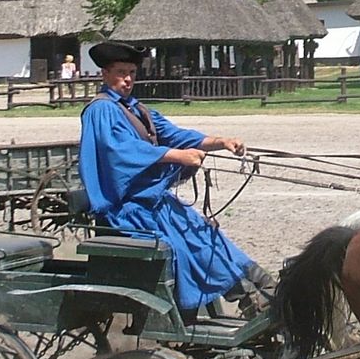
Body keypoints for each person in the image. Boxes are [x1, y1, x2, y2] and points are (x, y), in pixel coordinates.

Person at [78, 41, 273, 315]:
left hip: (154, 203)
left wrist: (221, 141)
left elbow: (176, 135)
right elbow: (120, 151)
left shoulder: (136, 109)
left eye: (132, 72)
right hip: (126, 210)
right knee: (190, 246)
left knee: (206, 232)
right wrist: (176, 157)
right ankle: (247, 298)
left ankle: (265, 286)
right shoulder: (101, 110)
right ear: (105, 74)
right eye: (121, 72)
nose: (128, 79)